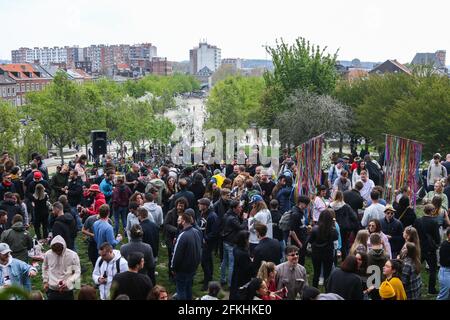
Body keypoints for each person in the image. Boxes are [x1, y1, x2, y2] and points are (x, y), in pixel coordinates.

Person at [171, 212, 202, 300]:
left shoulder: (183, 235)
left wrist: (173, 268)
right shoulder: (196, 232)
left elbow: (176, 255)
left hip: (182, 270)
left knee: (181, 290)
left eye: (180, 220)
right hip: (193, 268)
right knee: (188, 288)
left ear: (184, 221)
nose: (178, 222)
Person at [307, 209, 339, 288]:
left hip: (316, 253)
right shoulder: (332, 230)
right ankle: (327, 290)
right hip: (328, 254)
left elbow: (310, 241)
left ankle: (314, 290)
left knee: (316, 273)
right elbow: (336, 238)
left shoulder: (315, 229)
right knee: (327, 274)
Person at [42, 236, 81, 300]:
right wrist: (45, 281)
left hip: (67, 290)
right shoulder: (48, 254)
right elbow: (45, 267)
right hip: (52, 289)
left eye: (59, 251)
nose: (58, 253)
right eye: (55, 251)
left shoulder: (73, 255)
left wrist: (69, 282)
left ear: (64, 247)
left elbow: (77, 272)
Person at [414, 204, 440, 294]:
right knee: (433, 269)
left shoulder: (418, 221)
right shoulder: (434, 222)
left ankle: (411, 283)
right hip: (430, 249)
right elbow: (437, 238)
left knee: (414, 267)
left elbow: (414, 234)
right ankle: (431, 289)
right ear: (432, 211)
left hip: (419, 247)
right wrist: (436, 244)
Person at [221, 200, 247, 287]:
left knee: (224, 261)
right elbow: (241, 228)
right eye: (239, 207)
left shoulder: (226, 214)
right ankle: (230, 283)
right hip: (231, 243)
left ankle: (222, 279)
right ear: (234, 208)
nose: (241, 208)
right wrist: (245, 219)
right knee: (232, 264)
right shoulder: (232, 218)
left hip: (225, 241)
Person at [329, 191, 359, 259]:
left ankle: (334, 258)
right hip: (343, 228)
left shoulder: (330, 206)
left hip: (332, 227)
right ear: (342, 197)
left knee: (333, 243)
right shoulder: (346, 206)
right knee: (344, 244)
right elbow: (354, 217)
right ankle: (344, 259)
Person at [163, 197, 188, 279]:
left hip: (182, 238)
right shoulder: (171, 213)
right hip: (171, 238)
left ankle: (179, 273)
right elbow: (166, 225)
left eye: (182, 206)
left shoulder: (186, 214)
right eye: (179, 205)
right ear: (176, 205)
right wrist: (177, 230)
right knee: (171, 256)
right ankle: (171, 274)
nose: (180, 207)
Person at [198, 198, 219, 291]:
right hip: (204, 241)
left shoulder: (212, 216)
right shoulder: (203, 213)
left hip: (208, 242)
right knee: (208, 260)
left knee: (204, 261)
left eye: (200, 204)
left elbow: (215, 232)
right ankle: (209, 277)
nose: (198, 205)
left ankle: (207, 282)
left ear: (205, 206)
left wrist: (205, 239)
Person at [229, 230, 253, 300]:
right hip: (242, 278)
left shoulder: (236, 248)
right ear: (244, 240)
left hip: (237, 274)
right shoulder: (243, 254)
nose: (249, 241)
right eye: (248, 239)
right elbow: (248, 268)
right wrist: (251, 262)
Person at [289, 195, 311, 266]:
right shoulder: (295, 214)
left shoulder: (301, 211)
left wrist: (306, 227)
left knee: (302, 259)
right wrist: (299, 243)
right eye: (306, 204)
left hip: (303, 239)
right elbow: (292, 231)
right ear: (300, 203)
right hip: (297, 242)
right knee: (298, 261)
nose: (307, 206)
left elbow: (301, 225)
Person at [367, 232, 389, 300]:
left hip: (371, 285)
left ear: (370, 242)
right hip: (383, 284)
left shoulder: (367, 256)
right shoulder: (386, 256)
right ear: (380, 241)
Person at [437, 227, 450, 300]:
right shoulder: (445, 246)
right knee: (443, 296)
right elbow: (445, 261)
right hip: (446, 272)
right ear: (449, 235)